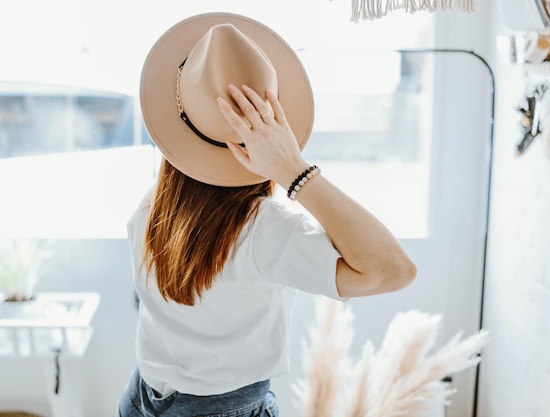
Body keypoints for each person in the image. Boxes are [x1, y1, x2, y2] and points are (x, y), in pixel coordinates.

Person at [117, 12, 417, 417]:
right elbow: (394, 270)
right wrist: (294, 170)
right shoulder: (264, 229)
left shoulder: (154, 205)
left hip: (140, 397)